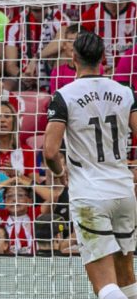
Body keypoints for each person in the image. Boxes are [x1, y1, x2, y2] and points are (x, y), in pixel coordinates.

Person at [45, 31, 137, 299]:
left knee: (105, 286)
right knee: (126, 278)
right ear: (104, 58)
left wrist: (60, 172)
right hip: (122, 191)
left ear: (73, 58)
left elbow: (50, 151)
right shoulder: (126, 92)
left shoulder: (65, 95)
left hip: (89, 194)